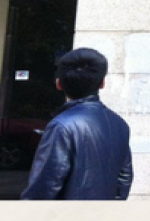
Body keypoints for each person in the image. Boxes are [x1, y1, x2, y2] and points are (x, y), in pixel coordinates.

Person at [21, 48, 132, 200]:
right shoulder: (119, 124)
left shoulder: (61, 125)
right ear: (102, 83)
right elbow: (124, 178)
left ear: (59, 84)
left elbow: (45, 186)